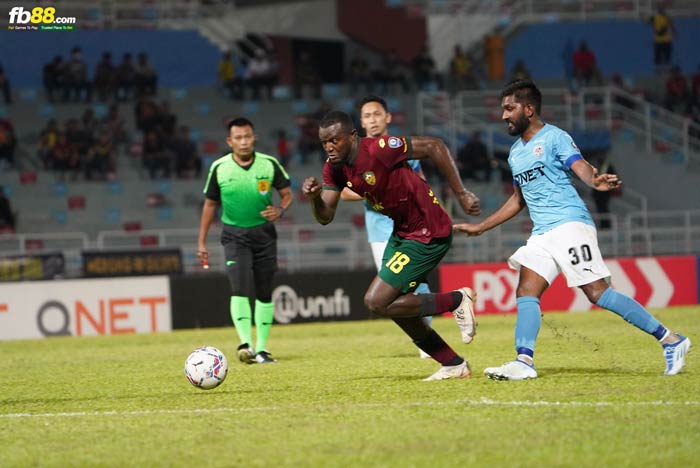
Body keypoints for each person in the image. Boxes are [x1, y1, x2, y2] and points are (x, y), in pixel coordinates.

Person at [453, 80, 690, 380]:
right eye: (502, 109)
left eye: (509, 108)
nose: (504, 116)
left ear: (528, 109)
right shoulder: (515, 153)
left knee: (597, 293)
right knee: (526, 289)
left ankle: (671, 340)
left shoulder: (554, 137)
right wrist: (480, 227)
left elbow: (579, 165)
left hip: (569, 224)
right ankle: (523, 361)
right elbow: (518, 199)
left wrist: (595, 181)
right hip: (542, 233)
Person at [302, 111, 481, 381]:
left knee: (376, 301)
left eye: (334, 140)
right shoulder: (333, 168)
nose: (329, 147)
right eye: (324, 142)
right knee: (391, 305)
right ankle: (453, 364)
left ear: (352, 136)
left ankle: (458, 299)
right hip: (402, 233)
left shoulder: (380, 149)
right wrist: (315, 198)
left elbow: (434, 146)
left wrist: (461, 193)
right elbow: (325, 217)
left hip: (428, 230)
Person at [341, 95, 433, 359]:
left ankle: (428, 341)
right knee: (391, 290)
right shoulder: (354, 154)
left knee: (415, 281)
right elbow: (344, 193)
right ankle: (446, 313)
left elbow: (421, 183)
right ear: (361, 122)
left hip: (410, 225)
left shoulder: (402, 148)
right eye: (367, 116)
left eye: (376, 114)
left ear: (388, 117)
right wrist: (377, 189)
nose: (372, 119)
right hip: (379, 231)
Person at [198, 117, 293, 365]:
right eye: (238, 137)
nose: (243, 141)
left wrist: (281, 210)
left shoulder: (269, 164)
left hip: (264, 234)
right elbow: (210, 204)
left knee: (263, 290)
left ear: (254, 137)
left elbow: (287, 194)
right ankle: (245, 344)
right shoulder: (219, 168)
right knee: (239, 287)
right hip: (234, 236)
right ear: (229, 141)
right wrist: (201, 241)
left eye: (247, 136)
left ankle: (262, 349)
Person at [649, 6, 675, 72]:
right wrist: (651, 21)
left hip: (667, 40)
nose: (661, 10)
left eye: (662, 9)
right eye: (659, 9)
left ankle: (668, 68)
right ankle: (658, 69)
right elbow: (648, 21)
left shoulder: (667, 17)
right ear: (658, 10)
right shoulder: (655, 17)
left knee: (668, 55)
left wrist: (675, 33)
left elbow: (671, 26)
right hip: (658, 40)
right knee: (657, 56)